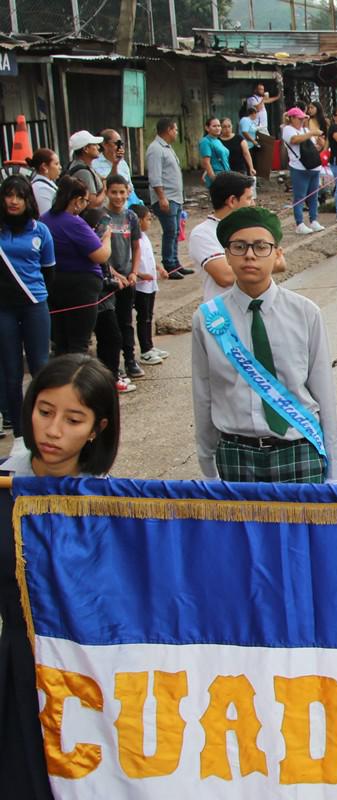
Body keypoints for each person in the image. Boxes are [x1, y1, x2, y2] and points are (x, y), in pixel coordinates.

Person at [0, 353, 118, 800]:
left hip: (88, 680)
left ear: (97, 429)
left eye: (73, 419)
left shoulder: (111, 506)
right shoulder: (7, 488)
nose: (52, 431)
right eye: (45, 412)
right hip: (20, 669)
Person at [192, 206, 337, 483]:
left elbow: (325, 394)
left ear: (277, 254)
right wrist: (207, 466)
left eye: (261, 246)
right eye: (239, 246)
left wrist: (335, 471)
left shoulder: (305, 313)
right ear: (226, 254)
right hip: (236, 453)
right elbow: (203, 395)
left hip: (298, 449)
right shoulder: (207, 318)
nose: (249, 255)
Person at [0, 175, 55, 437]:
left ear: (27, 200)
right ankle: (20, 433)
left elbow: (49, 272)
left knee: (40, 368)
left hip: (35, 306)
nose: (13, 201)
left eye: (19, 196)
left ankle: (42, 426)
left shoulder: (40, 230)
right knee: (10, 372)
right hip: (4, 310)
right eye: (8, 195)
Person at [42, 177, 110, 359]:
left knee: (61, 342)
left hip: (54, 284)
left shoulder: (44, 220)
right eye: (86, 201)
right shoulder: (74, 222)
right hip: (81, 287)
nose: (86, 205)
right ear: (77, 200)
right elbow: (100, 255)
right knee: (79, 343)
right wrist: (107, 238)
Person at [97, 174, 142, 391]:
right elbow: (100, 251)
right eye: (113, 192)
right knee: (110, 325)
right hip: (108, 281)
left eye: (122, 192)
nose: (118, 196)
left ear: (128, 192)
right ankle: (113, 368)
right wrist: (114, 274)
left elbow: (136, 246)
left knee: (126, 322)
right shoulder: (101, 217)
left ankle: (131, 359)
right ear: (106, 192)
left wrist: (134, 272)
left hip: (127, 278)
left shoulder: (131, 217)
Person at [188, 171, 259, 302]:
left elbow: (280, 261)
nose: (253, 204)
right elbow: (225, 276)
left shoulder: (249, 229)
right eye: (248, 198)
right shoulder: (203, 233)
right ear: (232, 201)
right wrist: (267, 265)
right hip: (225, 314)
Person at [146, 118, 189, 278]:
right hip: (167, 197)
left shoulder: (167, 148)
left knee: (176, 230)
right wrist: (161, 197)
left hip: (175, 197)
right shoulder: (155, 149)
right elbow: (155, 176)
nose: (176, 133)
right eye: (175, 130)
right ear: (169, 130)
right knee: (170, 231)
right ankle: (169, 265)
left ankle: (175, 262)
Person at [130, 204, 169, 366]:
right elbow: (131, 260)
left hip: (150, 284)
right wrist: (138, 274)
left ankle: (150, 346)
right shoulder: (134, 238)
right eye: (148, 219)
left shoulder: (144, 237)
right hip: (140, 285)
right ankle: (145, 350)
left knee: (148, 317)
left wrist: (159, 268)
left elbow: (149, 256)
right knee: (143, 317)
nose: (150, 222)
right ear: (138, 221)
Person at [281, 107, 324, 235]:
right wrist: (311, 133)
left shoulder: (305, 130)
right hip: (299, 167)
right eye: (299, 118)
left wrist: (320, 145)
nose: (302, 121)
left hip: (313, 167)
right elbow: (294, 140)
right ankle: (299, 223)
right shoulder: (288, 130)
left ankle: (314, 220)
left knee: (313, 196)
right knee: (299, 197)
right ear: (292, 118)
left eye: (303, 118)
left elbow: (312, 148)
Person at [94, 130, 143, 208]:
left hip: (126, 207)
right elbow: (108, 184)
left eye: (121, 144)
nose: (120, 147)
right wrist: (115, 165)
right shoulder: (95, 163)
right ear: (105, 144)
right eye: (117, 144)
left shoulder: (123, 163)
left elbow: (130, 187)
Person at [245, 82, 280, 178]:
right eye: (260, 89)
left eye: (263, 89)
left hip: (264, 127)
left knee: (267, 147)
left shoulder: (261, 99)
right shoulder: (251, 99)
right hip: (256, 127)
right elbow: (258, 108)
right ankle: (259, 169)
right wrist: (263, 99)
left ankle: (266, 167)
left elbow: (268, 101)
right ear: (255, 90)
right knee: (261, 147)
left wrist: (277, 97)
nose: (262, 91)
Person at [197, 117, 231, 188]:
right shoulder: (205, 141)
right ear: (207, 128)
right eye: (214, 126)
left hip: (226, 175)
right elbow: (206, 162)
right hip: (217, 177)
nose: (217, 128)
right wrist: (214, 179)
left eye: (219, 126)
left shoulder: (217, 141)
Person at [27, 148, 61, 216]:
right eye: (56, 164)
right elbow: (45, 217)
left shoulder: (46, 185)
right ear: (44, 166)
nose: (60, 167)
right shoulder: (41, 189)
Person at [220, 117, 255, 182]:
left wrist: (251, 167)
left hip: (240, 170)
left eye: (229, 126)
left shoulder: (239, 138)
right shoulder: (218, 141)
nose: (227, 129)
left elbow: (246, 153)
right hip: (224, 171)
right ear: (221, 128)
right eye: (224, 127)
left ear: (232, 126)